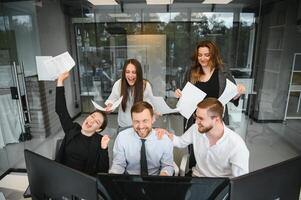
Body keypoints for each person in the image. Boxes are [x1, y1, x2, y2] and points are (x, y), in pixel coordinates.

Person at [175, 40, 246, 168]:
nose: (203, 58)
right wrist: (179, 94)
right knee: (196, 154)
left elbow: (231, 95)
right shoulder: (191, 72)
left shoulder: (223, 72)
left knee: (216, 153)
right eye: (200, 55)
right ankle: (195, 175)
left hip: (216, 120)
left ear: (213, 55)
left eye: (206, 55)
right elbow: (183, 95)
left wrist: (238, 92)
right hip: (196, 121)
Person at [160, 98, 249, 177]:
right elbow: (180, 142)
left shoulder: (236, 145)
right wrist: (166, 135)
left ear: (216, 119)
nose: (196, 121)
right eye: (196, 117)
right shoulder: (196, 128)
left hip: (221, 185)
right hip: (198, 178)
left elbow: (240, 180)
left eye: (201, 118)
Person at [55, 71, 110, 176]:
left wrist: (104, 149)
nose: (91, 121)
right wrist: (60, 81)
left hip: (83, 182)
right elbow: (60, 109)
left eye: (97, 122)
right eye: (92, 116)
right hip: (62, 176)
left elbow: (103, 171)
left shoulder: (99, 141)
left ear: (98, 129)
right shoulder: (73, 129)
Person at [109, 101, 174, 176]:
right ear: (132, 120)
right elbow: (119, 165)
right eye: (136, 121)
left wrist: (163, 175)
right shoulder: (122, 137)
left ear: (152, 119)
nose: (141, 126)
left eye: (145, 121)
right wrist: (113, 177)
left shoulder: (164, 139)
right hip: (130, 181)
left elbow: (167, 166)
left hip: (155, 180)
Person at [104, 58, 156, 131]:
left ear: (138, 73)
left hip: (140, 127)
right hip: (123, 126)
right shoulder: (119, 84)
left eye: (134, 72)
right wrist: (109, 106)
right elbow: (112, 99)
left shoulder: (145, 85)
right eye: (127, 72)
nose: (130, 75)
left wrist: (154, 113)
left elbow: (150, 105)